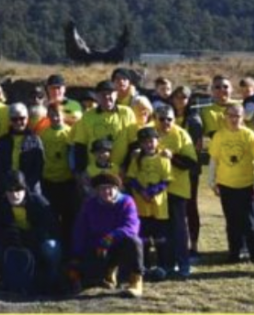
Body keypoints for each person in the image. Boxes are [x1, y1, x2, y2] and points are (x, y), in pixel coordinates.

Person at [207, 103, 254, 265]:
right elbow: (213, 160)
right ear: (225, 117)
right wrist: (211, 181)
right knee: (232, 222)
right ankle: (234, 253)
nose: (234, 119)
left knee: (250, 223)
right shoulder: (219, 136)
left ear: (243, 117)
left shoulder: (249, 135)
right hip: (226, 185)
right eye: (231, 116)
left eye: (237, 116)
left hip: (247, 185)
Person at [70, 173, 144, 298]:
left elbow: (131, 228)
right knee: (85, 276)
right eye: (102, 188)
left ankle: (135, 282)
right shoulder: (89, 204)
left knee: (134, 242)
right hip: (98, 248)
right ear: (97, 191)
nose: (106, 192)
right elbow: (80, 230)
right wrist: (76, 255)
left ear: (117, 189)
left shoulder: (127, 202)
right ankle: (107, 275)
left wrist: (109, 238)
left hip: (119, 245)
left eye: (110, 188)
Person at [0, 170, 61, 296]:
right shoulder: (1, 204)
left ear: (25, 189)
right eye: (10, 190)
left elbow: (52, 228)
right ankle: (4, 277)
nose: (14, 194)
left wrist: (30, 236)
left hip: (37, 241)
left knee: (51, 247)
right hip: (13, 243)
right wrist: (8, 236)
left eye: (18, 190)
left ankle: (53, 278)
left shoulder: (39, 202)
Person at [153, 104, 198, 278]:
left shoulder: (181, 134)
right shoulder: (150, 133)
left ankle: (183, 264)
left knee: (178, 228)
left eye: (169, 119)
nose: (166, 122)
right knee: (161, 229)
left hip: (177, 189)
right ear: (155, 119)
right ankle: (164, 264)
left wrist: (173, 157)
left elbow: (191, 163)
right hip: (155, 190)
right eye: (162, 119)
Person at [124, 127, 171, 281]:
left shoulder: (163, 158)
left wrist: (152, 192)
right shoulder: (137, 158)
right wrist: (142, 191)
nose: (149, 145)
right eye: (145, 142)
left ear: (157, 141)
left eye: (151, 141)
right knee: (142, 237)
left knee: (161, 238)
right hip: (141, 206)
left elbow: (166, 180)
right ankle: (142, 266)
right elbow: (131, 177)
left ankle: (163, 265)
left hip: (158, 206)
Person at [71, 81, 136, 186]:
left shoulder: (126, 113)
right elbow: (80, 145)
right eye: (103, 94)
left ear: (116, 94)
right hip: (94, 173)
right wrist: (81, 171)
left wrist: (126, 168)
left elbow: (134, 144)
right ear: (97, 96)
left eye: (110, 93)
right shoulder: (87, 116)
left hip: (120, 173)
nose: (107, 97)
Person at [39, 104, 78, 254]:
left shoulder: (70, 132)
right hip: (49, 181)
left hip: (67, 181)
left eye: (57, 114)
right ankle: (56, 249)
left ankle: (70, 250)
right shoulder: (43, 134)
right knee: (52, 217)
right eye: (52, 115)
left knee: (69, 217)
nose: (55, 118)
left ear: (63, 115)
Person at [170, 85, 204, 257]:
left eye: (183, 97)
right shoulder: (167, 116)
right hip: (169, 169)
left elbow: (195, 148)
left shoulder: (193, 120)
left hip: (188, 169)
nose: (180, 100)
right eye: (177, 97)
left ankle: (194, 245)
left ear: (189, 100)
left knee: (190, 207)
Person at [0, 103, 45, 195]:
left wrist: (25, 187)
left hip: (31, 189)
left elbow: (39, 167)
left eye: (22, 118)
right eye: (14, 119)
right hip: (8, 190)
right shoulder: (2, 141)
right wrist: (7, 185)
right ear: (10, 120)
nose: (18, 122)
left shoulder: (35, 140)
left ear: (27, 119)